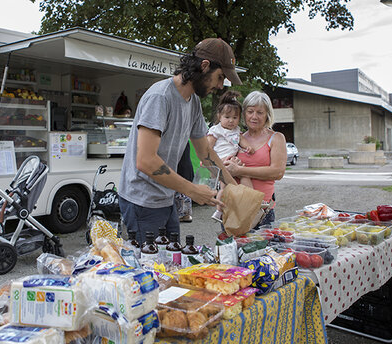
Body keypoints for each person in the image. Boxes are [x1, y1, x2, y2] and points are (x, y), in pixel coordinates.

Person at [119, 38, 240, 244]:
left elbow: (205, 152)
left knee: (171, 265)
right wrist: (192, 190)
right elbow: (146, 160)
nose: (220, 86)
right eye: (220, 77)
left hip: (166, 199)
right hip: (142, 201)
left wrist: (233, 187)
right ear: (204, 66)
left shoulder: (193, 102)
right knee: (150, 270)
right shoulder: (160, 97)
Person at [223, 91, 287, 226]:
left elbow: (277, 172)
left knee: (261, 246)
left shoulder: (276, 138)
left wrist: (240, 170)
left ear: (267, 115)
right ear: (244, 113)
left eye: (260, 112)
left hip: (262, 210)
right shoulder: (235, 138)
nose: (254, 116)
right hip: (235, 207)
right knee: (230, 247)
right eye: (250, 111)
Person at [207, 90, 254, 222]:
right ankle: (218, 211)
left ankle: (249, 199)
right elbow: (208, 147)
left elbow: (241, 140)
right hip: (221, 161)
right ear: (219, 116)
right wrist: (207, 160)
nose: (231, 121)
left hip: (232, 161)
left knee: (244, 174)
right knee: (224, 187)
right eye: (227, 117)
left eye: (235, 118)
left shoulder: (236, 131)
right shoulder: (216, 130)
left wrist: (247, 147)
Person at [174, 142, 194, 223]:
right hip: (182, 169)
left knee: (182, 192)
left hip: (181, 168)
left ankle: (184, 214)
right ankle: (183, 213)